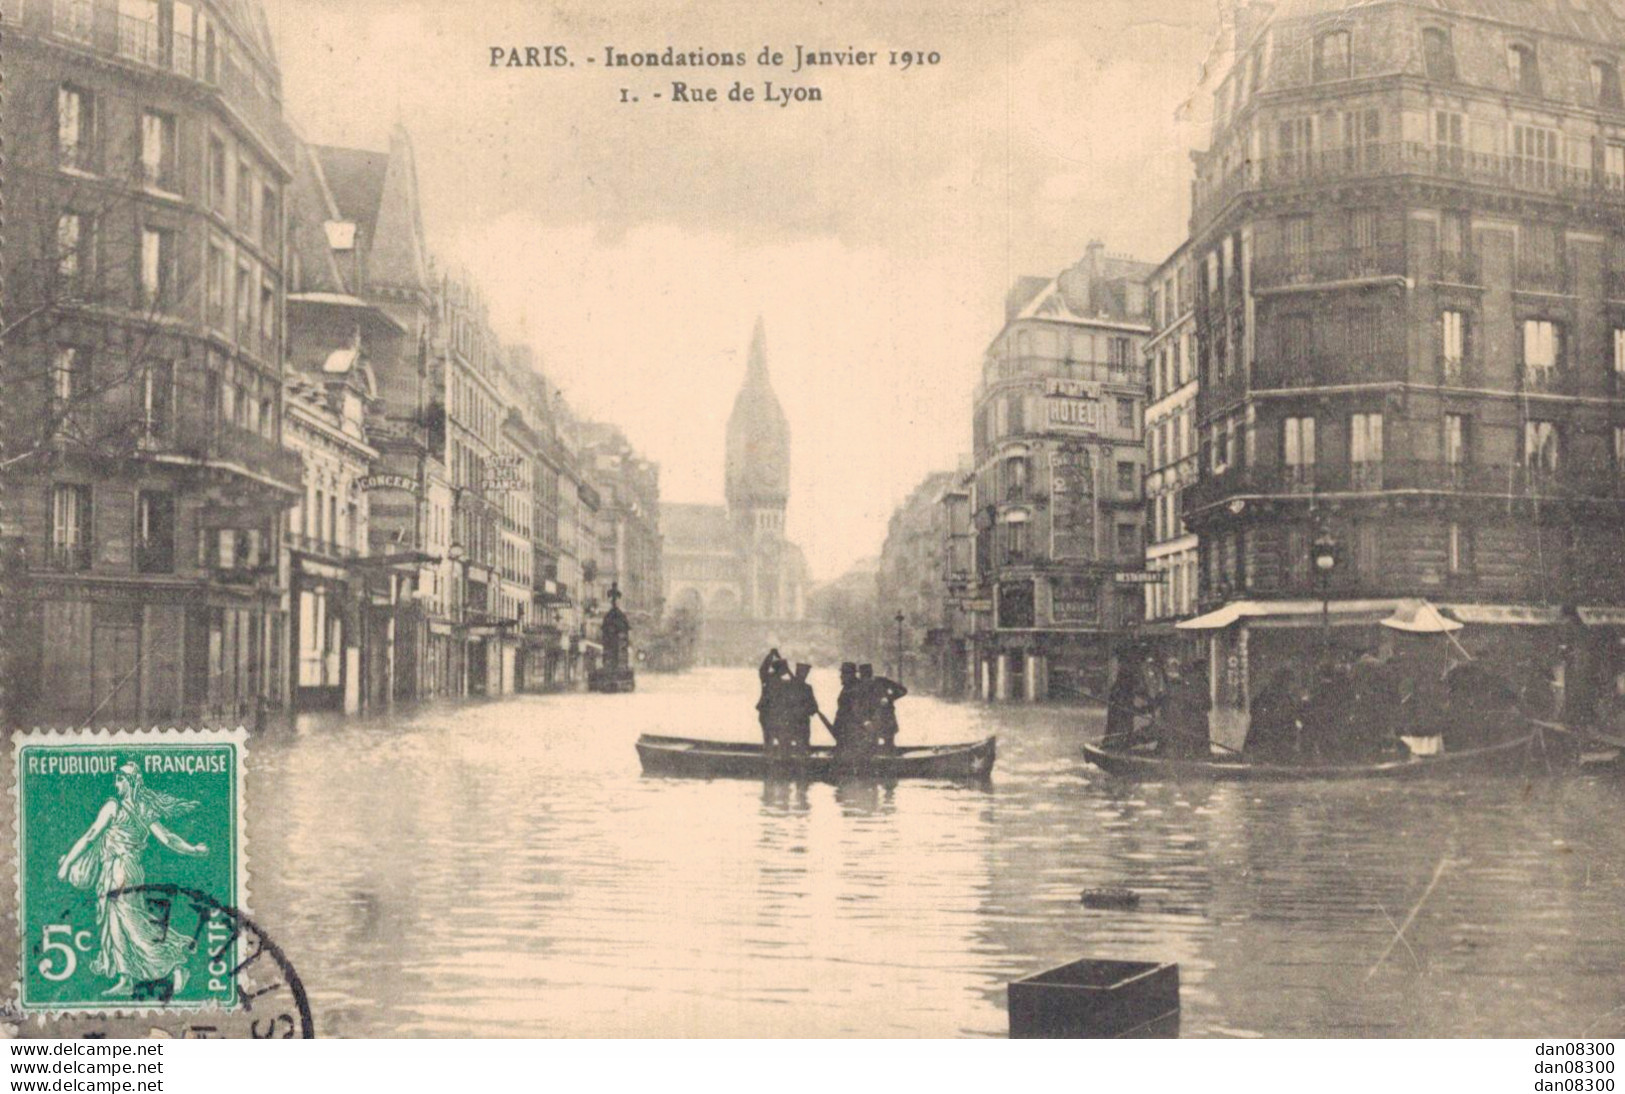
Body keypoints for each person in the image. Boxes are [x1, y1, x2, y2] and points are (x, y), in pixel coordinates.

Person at [57, 763, 210, 997]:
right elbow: (168, 838)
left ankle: (177, 965)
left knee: (133, 925)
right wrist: (193, 849)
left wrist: (68, 862)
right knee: (116, 924)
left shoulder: (114, 806)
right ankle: (125, 978)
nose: (116, 784)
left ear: (131, 782)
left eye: (120, 780)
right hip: (120, 869)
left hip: (121, 869)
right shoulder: (143, 808)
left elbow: (90, 836)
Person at [1157, 656, 1211, 758]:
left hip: (1189, 715)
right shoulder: (1191, 682)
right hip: (1183, 715)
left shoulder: (1191, 682)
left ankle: (1191, 752)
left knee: (1190, 735)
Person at [1104, 648, 1150, 747]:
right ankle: (1116, 742)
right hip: (1122, 698)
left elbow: (1140, 688)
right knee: (1120, 724)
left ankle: (1118, 742)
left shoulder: (1130, 670)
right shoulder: (1130, 670)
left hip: (1124, 698)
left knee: (1123, 724)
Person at [781, 663, 821, 757]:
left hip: (801, 723)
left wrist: (808, 709)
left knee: (801, 747)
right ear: (798, 673)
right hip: (791, 722)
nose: (804, 675)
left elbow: (814, 707)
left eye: (806, 673)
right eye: (803, 673)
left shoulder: (806, 688)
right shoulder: (788, 686)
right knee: (787, 747)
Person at [757, 649, 790, 752]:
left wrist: (771, 656)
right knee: (776, 741)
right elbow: (763, 669)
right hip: (770, 714)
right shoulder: (781, 682)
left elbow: (762, 669)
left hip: (773, 715)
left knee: (770, 741)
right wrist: (771, 656)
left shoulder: (769, 679)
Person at [871, 670, 908, 752]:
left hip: (886, 716)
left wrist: (889, 697)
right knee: (872, 745)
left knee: (889, 743)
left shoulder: (882, 682)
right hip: (872, 718)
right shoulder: (861, 685)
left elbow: (902, 690)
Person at [830, 662, 861, 748]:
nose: (841, 676)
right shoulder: (848, 687)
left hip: (850, 731)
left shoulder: (855, 688)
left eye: (844, 673)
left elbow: (854, 711)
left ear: (850, 674)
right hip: (845, 730)